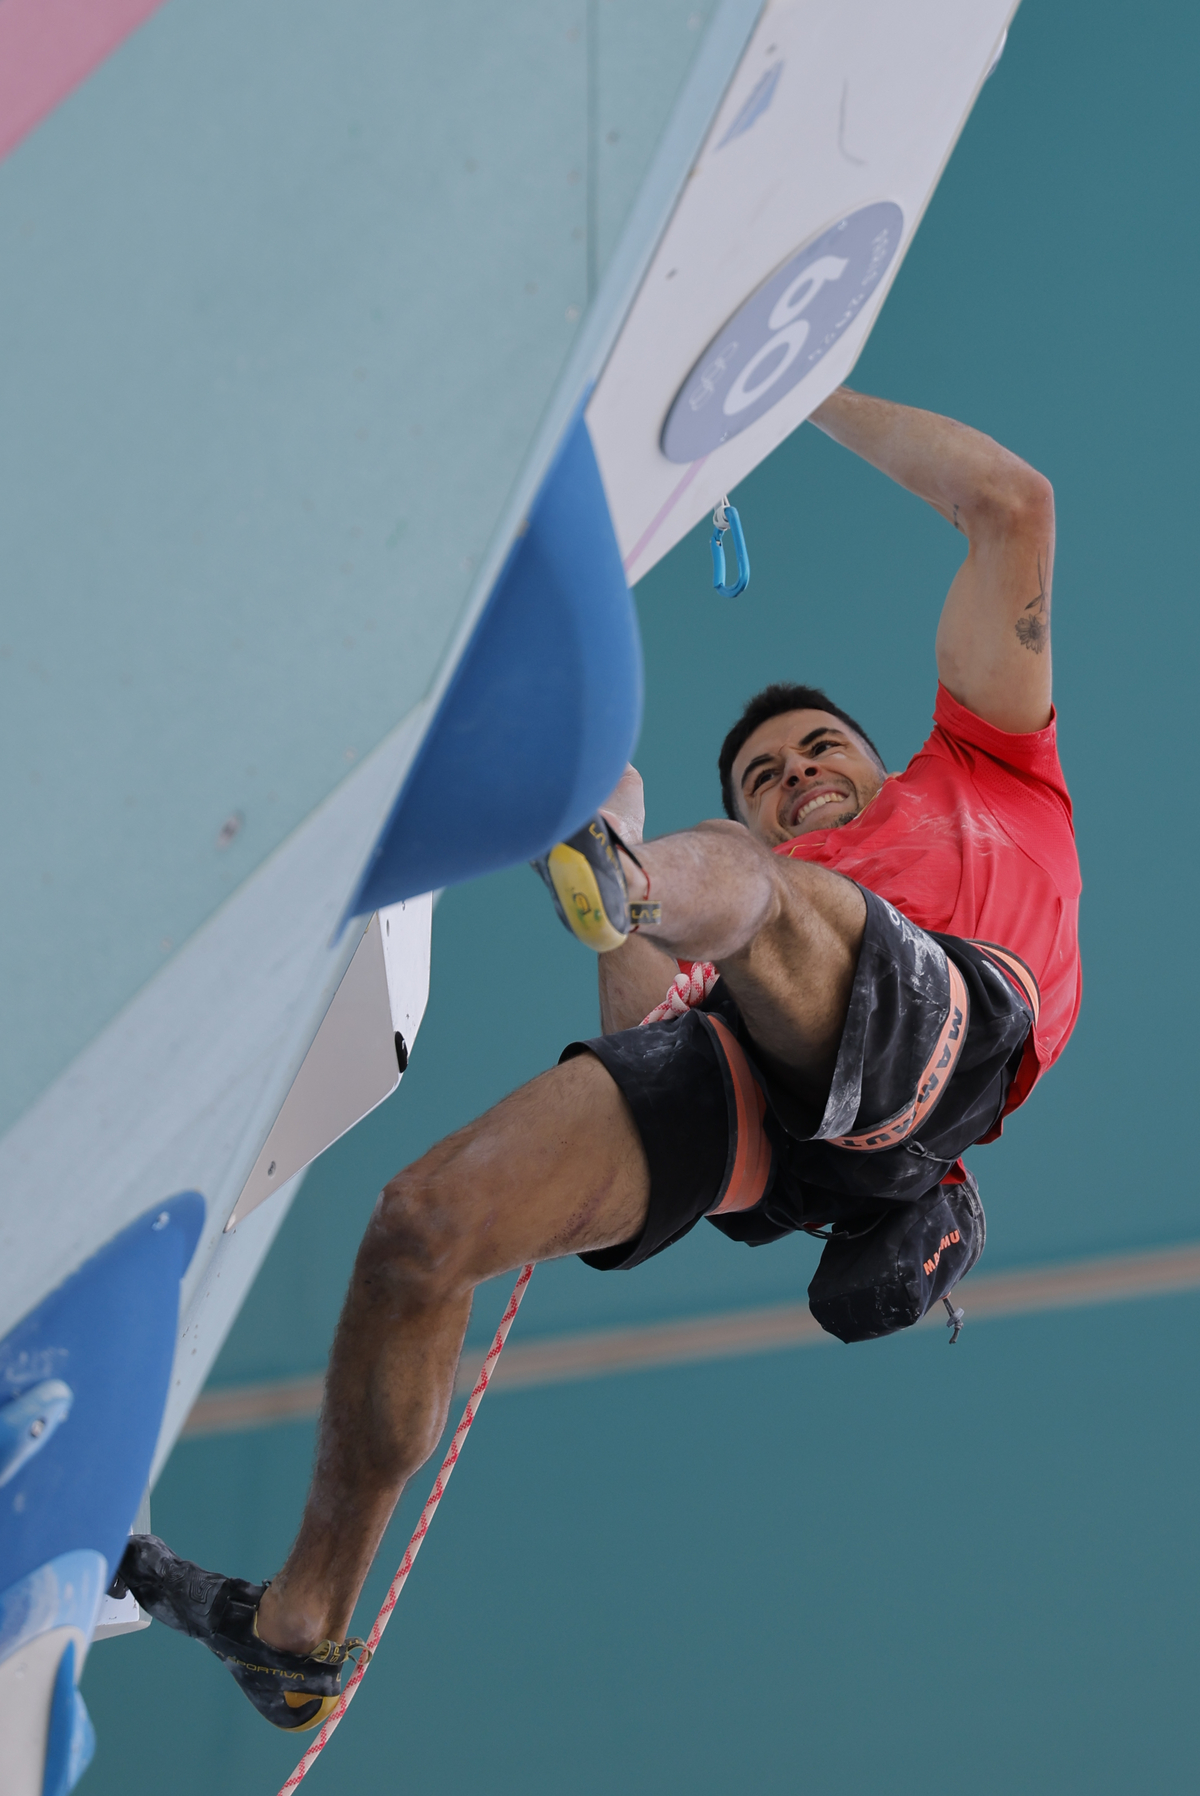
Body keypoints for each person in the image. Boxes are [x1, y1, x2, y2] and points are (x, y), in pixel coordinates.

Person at [118, 386, 1081, 1729]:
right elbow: (646, 1039)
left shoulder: (990, 773)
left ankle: (630, 875)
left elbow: (1013, 505)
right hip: (769, 1093)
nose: (798, 773)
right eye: (764, 773)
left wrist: (800, 389)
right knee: (420, 1229)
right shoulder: (755, 896)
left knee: (750, 890)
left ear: (883, 755)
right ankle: (300, 1625)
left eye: (820, 751)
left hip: (949, 1031)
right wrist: (609, 820)